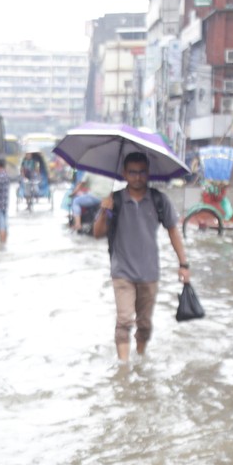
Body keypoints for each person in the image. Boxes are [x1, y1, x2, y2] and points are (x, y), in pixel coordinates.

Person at [92, 151, 191, 361]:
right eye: (132, 172)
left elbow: (173, 231)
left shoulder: (158, 199)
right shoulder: (115, 201)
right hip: (122, 271)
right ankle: (124, 370)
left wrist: (183, 264)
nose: (137, 177)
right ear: (124, 174)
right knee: (124, 321)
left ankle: (140, 358)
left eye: (142, 172)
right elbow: (97, 233)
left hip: (149, 271)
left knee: (144, 324)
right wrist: (103, 211)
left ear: (148, 173)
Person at [0, 157, 14, 250]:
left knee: (1, 224)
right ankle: (5, 242)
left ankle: (1, 244)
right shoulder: (7, 176)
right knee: (5, 223)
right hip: (5, 203)